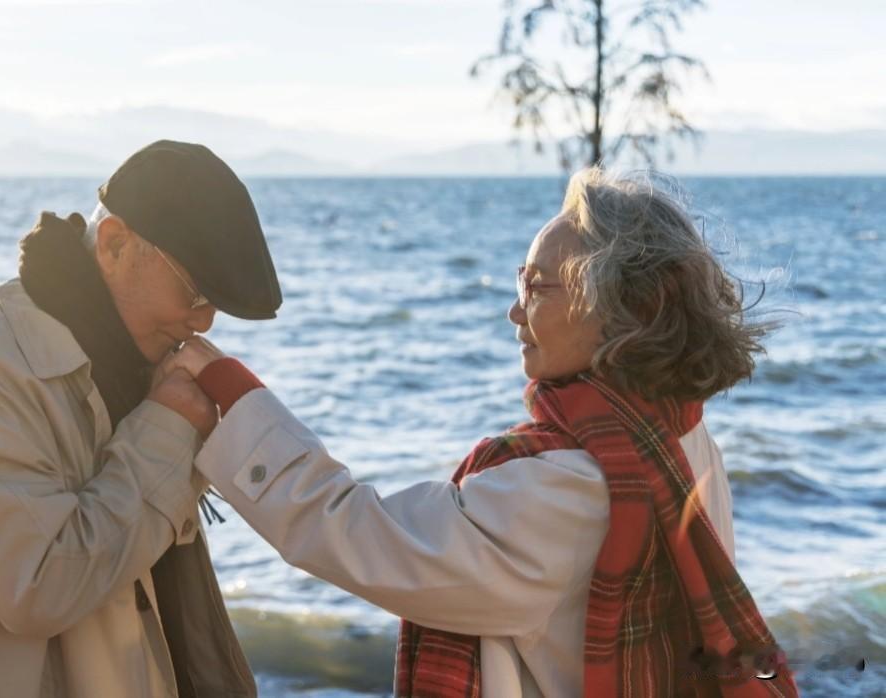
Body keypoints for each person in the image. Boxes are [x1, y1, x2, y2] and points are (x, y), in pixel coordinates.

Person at [167, 168, 799, 697]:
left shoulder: (570, 488)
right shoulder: (679, 430)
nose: (515, 310)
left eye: (537, 287)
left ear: (624, 310)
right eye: (518, 283)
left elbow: (354, 534)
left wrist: (236, 399)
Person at [0, 140, 281, 697]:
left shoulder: (141, 364)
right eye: (194, 291)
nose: (205, 322)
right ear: (115, 244)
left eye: (213, 301)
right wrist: (166, 430)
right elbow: (38, 588)